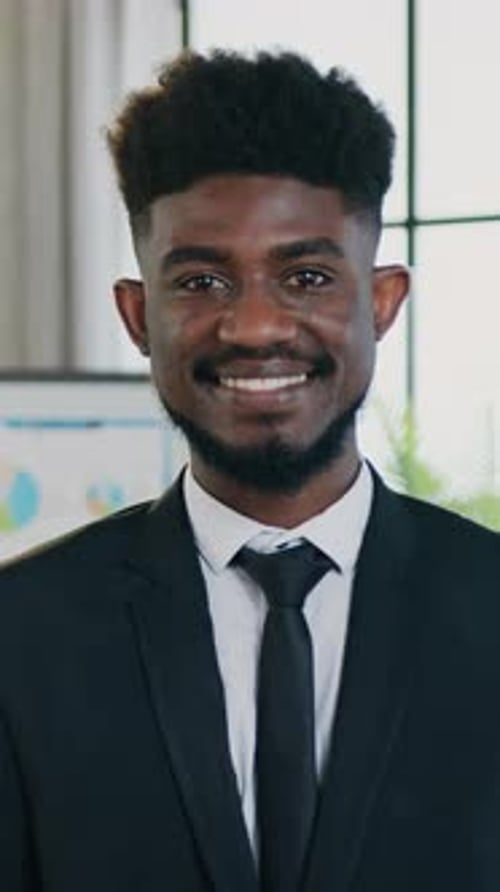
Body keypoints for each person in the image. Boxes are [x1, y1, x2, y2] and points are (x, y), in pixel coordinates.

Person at [0, 49, 499, 892]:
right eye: (200, 280)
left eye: (306, 276)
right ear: (136, 315)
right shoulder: (20, 640)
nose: (255, 326)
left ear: (381, 303)